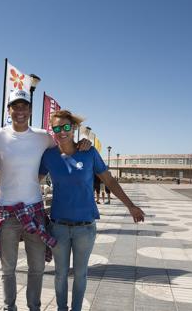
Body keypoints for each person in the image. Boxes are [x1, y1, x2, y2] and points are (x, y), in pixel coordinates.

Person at [0, 89, 91, 311]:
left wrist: (83, 142)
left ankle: (34, 307)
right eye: (15, 106)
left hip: (34, 211)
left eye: (24, 106)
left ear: (30, 110)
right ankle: (8, 307)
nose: (20, 111)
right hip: (5, 212)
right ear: (9, 110)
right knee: (8, 269)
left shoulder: (43, 137)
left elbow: (65, 144)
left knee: (37, 268)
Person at [39, 110, 145, 311]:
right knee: (60, 274)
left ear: (74, 129)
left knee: (80, 274)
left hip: (85, 228)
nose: (62, 131)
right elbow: (31, 180)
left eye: (66, 127)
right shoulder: (49, 156)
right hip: (58, 227)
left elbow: (109, 180)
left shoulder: (89, 152)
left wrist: (130, 205)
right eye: (57, 128)